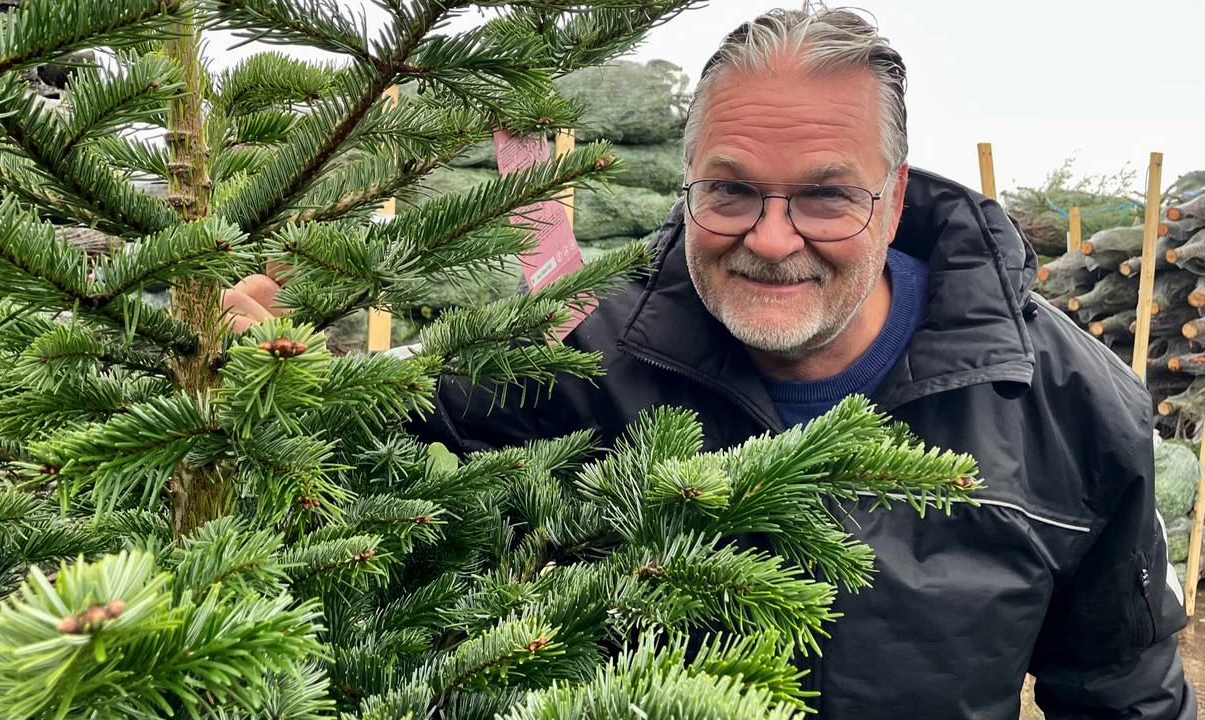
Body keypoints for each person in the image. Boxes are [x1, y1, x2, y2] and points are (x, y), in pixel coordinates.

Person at [225, 5, 1195, 717]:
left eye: (823, 197)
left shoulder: (1064, 404)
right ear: (685, 186)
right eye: (728, 192)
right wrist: (277, 368)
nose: (770, 240)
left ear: (893, 199)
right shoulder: (577, 354)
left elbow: (1120, 693)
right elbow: (385, 448)